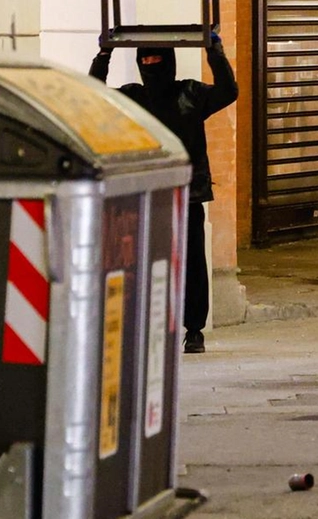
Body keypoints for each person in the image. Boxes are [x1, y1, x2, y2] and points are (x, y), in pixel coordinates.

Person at [89, 34, 238, 354]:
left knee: (192, 262)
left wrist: (216, 54)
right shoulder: (139, 96)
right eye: (145, 60)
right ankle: (161, 324)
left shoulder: (189, 93)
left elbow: (229, 91)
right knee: (146, 261)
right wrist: (103, 56)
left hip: (183, 192)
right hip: (154, 192)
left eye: (155, 60)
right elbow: (94, 96)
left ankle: (193, 328)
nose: (150, 66)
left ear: (168, 62)